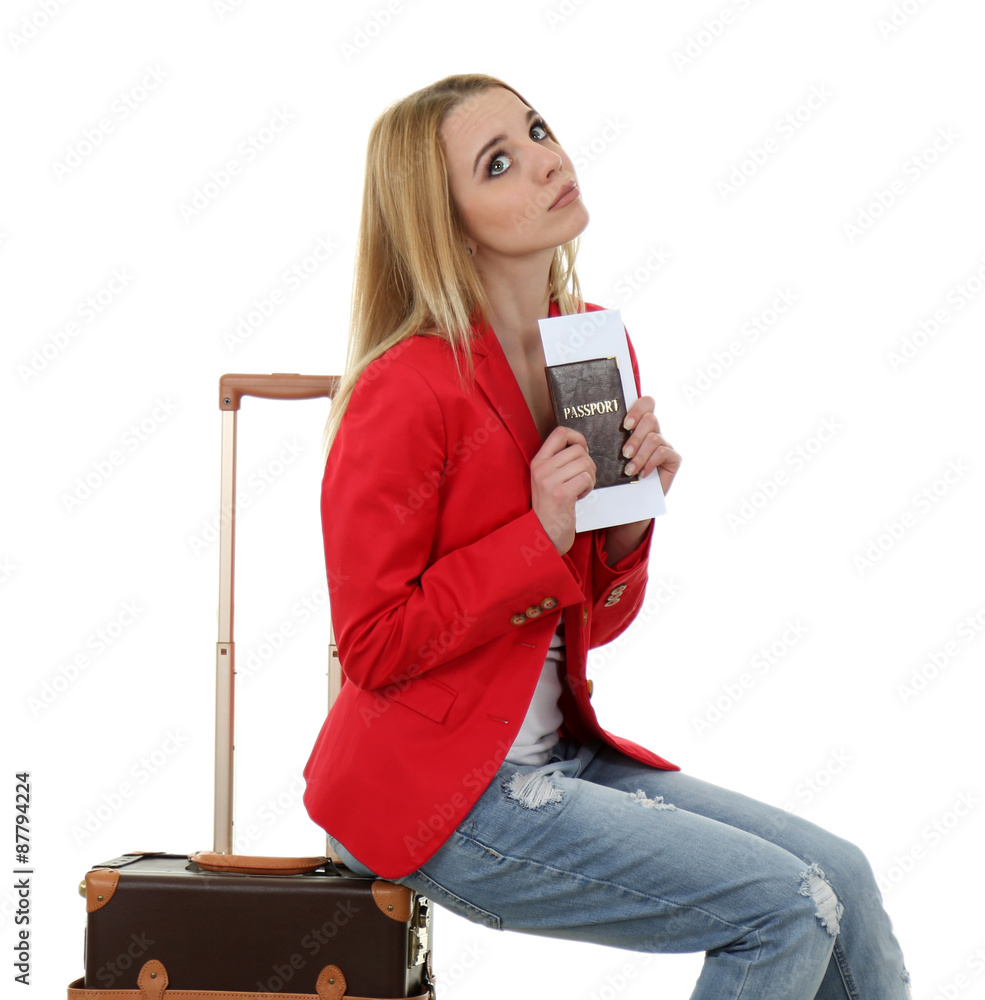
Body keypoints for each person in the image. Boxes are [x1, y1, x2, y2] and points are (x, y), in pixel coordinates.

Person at [302, 74, 911, 1000]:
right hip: (435, 795)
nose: (546, 159)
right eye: (498, 162)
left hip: (557, 758)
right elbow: (375, 645)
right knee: (785, 908)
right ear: (446, 222)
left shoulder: (586, 346)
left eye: (537, 130)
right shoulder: (405, 389)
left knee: (846, 882)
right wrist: (534, 532)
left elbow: (597, 618)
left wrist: (623, 528)